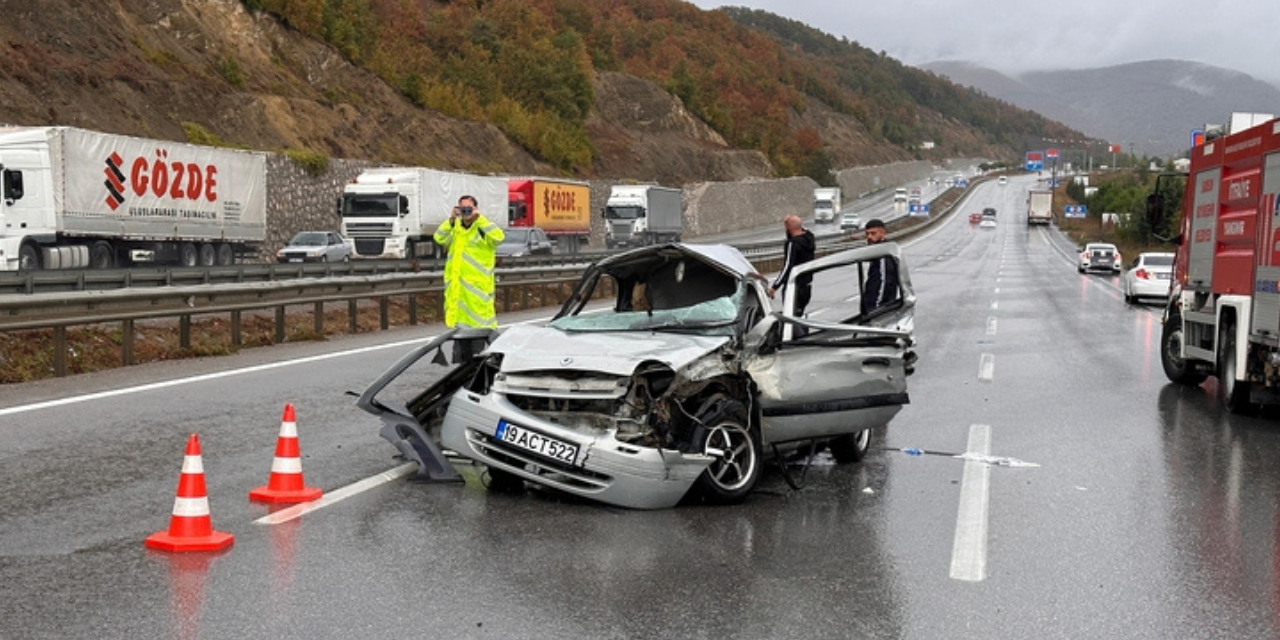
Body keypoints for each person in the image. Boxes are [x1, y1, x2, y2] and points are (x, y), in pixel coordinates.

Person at [434, 195, 504, 359]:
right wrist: (450, 220)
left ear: (475, 209)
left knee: (479, 354)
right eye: (462, 208)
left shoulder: (482, 228)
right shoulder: (455, 229)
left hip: (478, 298)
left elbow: (498, 237)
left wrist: (479, 219)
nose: (465, 212)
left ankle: (481, 378)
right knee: (461, 356)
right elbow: (439, 237)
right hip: (459, 300)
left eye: (469, 208)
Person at [768, 214, 815, 317]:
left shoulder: (792, 244)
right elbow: (803, 228)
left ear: (788, 228)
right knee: (799, 315)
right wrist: (793, 222)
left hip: (794, 288)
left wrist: (775, 287)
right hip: (807, 287)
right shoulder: (809, 238)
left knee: (791, 318)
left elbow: (788, 266)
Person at [860, 218, 900, 316]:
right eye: (867, 234)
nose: (869, 237)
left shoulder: (883, 256)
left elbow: (883, 284)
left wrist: (875, 311)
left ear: (883, 233)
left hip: (879, 313)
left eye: (873, 233)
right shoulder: (880, 253)